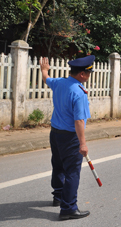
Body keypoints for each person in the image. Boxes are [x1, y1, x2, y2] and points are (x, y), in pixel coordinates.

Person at [40, 55, 94, 220]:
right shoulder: (79, 92)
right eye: (89, 73)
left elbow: (46, 79)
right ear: (82, 75)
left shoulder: (60, 83)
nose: (89, 76)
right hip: (70, 137)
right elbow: (78, 121)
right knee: (72, 172)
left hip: (55, 134)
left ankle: (58, 196)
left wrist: (44, 70)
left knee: (58, 165)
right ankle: (68, 208)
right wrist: (83, 144)